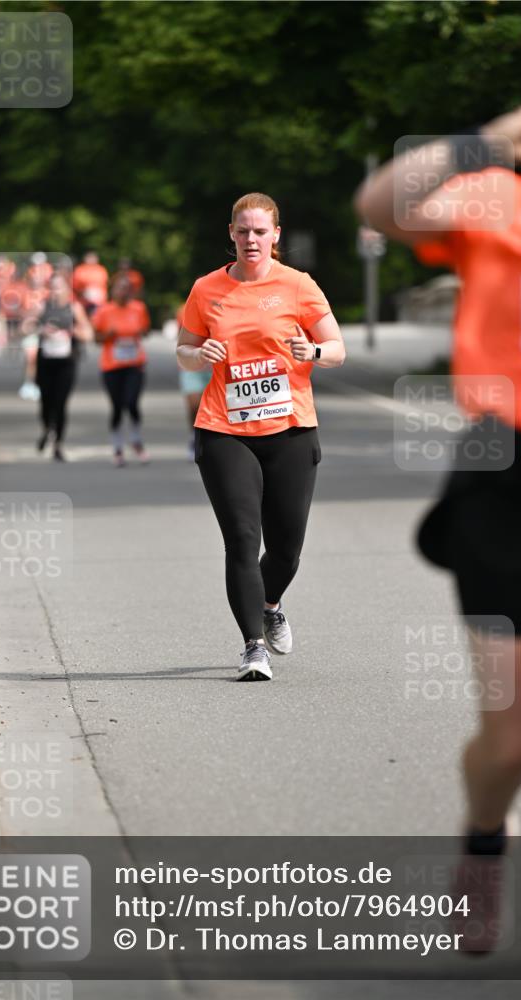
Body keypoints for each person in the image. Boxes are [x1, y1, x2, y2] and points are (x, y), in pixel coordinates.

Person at [356, 35, 521, 988]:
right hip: (506, 481)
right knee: (514, 735)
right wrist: (488, 139)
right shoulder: (500, 195)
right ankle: (486, 835)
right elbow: (379, 207)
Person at [177, 192, 345, 681]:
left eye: (260, 231)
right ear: (231, 234)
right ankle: (253, 647)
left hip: (291, 428)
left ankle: (270, 603)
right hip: (225, 429)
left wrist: (312, 350)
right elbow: (183, 350)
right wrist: (199, 353)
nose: (251, 239)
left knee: (287, 547)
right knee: (242, 540)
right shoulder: (207, 289)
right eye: (243, 231)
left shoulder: (298, 286)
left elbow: (337, 348)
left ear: (276, 235)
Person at [91, 275, 152, 466]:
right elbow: (96, 339)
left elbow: (146, 330)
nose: (122, 292)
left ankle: (135, 440)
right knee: (117, 405)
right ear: (112, 290)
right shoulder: (104, 311)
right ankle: (117, 447)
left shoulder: (138, 308)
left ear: (131, 291)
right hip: (111, 366)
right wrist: (107, 335)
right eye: (119, 288)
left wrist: (139, 333)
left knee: (132, 402)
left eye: (126, 288)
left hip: (134, 364)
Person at [35, 273, 92, 461]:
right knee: (45, 402)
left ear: (67, 289)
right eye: (51, 287)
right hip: (45, 361)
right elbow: (24, 327)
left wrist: (70, 331)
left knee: (60, 403)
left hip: (66, 363)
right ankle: (47, 428)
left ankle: (58, 444)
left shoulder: (74, 308)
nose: (54, 291)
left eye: (58, 287)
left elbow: (88, 334)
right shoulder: (42, 307)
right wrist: (41, 330)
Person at [176, 305, 211, 460]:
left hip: (217, 366)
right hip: (193, 366)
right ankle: (194, 436)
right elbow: (182, 339)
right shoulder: (184, 309)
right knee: (194, 405)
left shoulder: (232, 302)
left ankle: (212, 441)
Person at [72, 251, 109, 317]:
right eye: (89, 258)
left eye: (93, 258)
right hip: (83, 301)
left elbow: (104, 285)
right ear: (85, 259)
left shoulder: (101, 270)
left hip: (99, 302)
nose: (91, 260)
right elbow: (76, 286)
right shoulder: (80, 270)